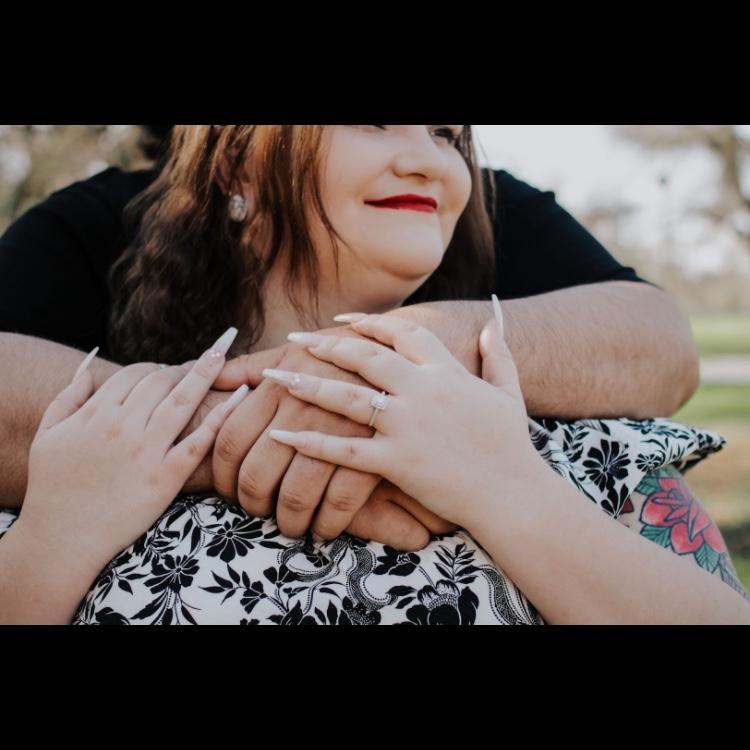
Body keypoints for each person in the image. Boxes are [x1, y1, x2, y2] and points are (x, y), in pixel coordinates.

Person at [0, 125, 744, 624]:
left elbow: (657, 339)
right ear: (235, 163)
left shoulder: (582, 459)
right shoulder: (73, 479)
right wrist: (238, 427)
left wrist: (490, 470)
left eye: (447, 132)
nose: (430, 158)